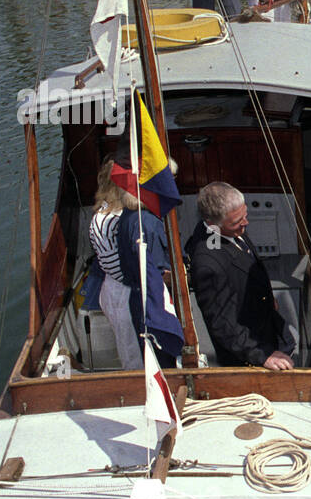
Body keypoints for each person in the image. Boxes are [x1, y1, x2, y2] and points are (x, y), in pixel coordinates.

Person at [184, 182, 296, 370]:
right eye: (237, 222)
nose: (245, 223)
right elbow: (222, 324)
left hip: (266, 323)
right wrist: (261, 355)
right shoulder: (208, 264)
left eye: (245, 215)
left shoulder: (232, 228)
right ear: (212, 223)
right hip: (246, 348)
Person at [88, 158, 143, 370]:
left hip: (125, 288)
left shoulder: (116, 214)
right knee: (133, 355)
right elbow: (114, 268)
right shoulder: (106, 220)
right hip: (123, 292)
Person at [117, 201, 185, 370]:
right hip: (156, 303)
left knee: (153, 360)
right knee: (166, 363)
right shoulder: (149, 222)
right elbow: (159, 275)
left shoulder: (128, 216)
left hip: (138, 299)